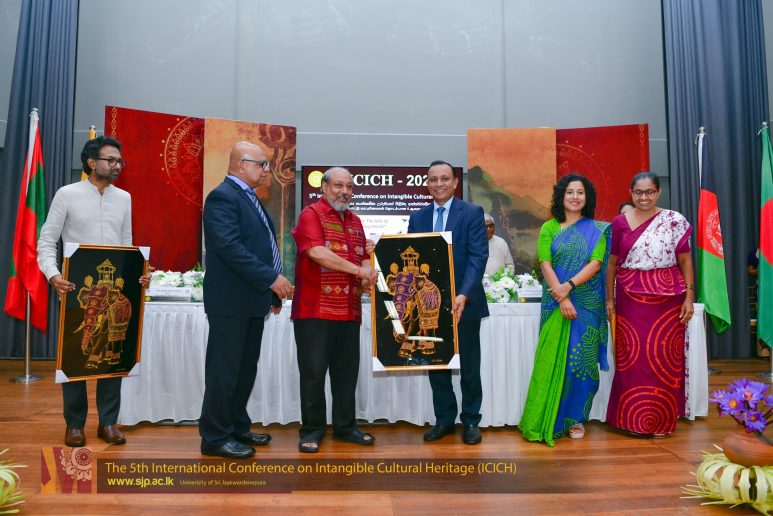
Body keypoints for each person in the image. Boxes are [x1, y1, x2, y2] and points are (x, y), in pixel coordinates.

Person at [37, 135, 149, 447]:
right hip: (77, 290)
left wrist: (139, 273)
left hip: (115, 293)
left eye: (119, 161)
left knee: (113, 353)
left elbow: (127, 245)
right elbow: (47, 241)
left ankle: (108, 423)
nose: (117, 166)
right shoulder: (67, 194)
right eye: (110, 160)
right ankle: (74, 425)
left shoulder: (124, 198)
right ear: (91, 162)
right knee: (76, 354)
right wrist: (53, 275)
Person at [199, 141, 293, 459]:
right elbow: (230, 248)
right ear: (242, 165)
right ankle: (215, 437)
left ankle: (237, 426)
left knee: (243, 371)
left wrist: (270, 291)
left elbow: (259, 246)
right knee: (224, 372)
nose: (267, 170)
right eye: (262, 164)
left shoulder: (249, 197)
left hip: (251, 300)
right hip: (230, 303)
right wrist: (271, 279)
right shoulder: (222, 197)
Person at [518, 173, 611, 446]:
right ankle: (547, 416)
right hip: (555, 300)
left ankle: (575, 419)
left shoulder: (597, 229)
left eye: (580, 192)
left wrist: (568, 287)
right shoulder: (549, 227)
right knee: (551, 361)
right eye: (570, 192)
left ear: (587, 198)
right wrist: (561, 297)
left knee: (581, 364)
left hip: (586, 303)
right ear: (561, 196)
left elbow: (596, 263)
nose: (575, 197)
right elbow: (545, 263)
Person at [291, 167, 377, 453]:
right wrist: (360, 271)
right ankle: (312, 430)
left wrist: (368, 267)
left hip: (349, 311)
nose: (345, 192)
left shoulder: (355, 221)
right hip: (314, 311)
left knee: (346, 374)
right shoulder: (311, 214)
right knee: (313, 375)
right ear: (324, 187)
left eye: (349, 187)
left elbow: (362, 259)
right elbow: (317, 253)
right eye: (339, 186)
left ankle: (345, 427)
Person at [605, 172, 694, 437]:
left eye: (650, 192)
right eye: (639, 192)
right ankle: (631, 421)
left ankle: (660, 423)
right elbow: (612, 263)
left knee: (663, 357)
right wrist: (610, 298)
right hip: (630, 299)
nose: (644, 197)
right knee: (632, 358)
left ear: (658, 192)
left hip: (668, 299)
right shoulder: (619, 223)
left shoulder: (674, 220)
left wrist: (689, 297)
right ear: (631, 193)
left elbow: (685, 260)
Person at [407, 160, 488, 445]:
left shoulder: (472, 213)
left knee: (469, 366)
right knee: (436, 363)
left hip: (465, 303)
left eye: (444, 179)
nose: (438, 184)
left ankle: (471, 420)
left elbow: (478, 257)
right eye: (433, 179)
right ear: (427, 184)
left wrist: (463, 294)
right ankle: (444, 419)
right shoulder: (417, 217)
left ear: (455, 182)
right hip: (430, 304)